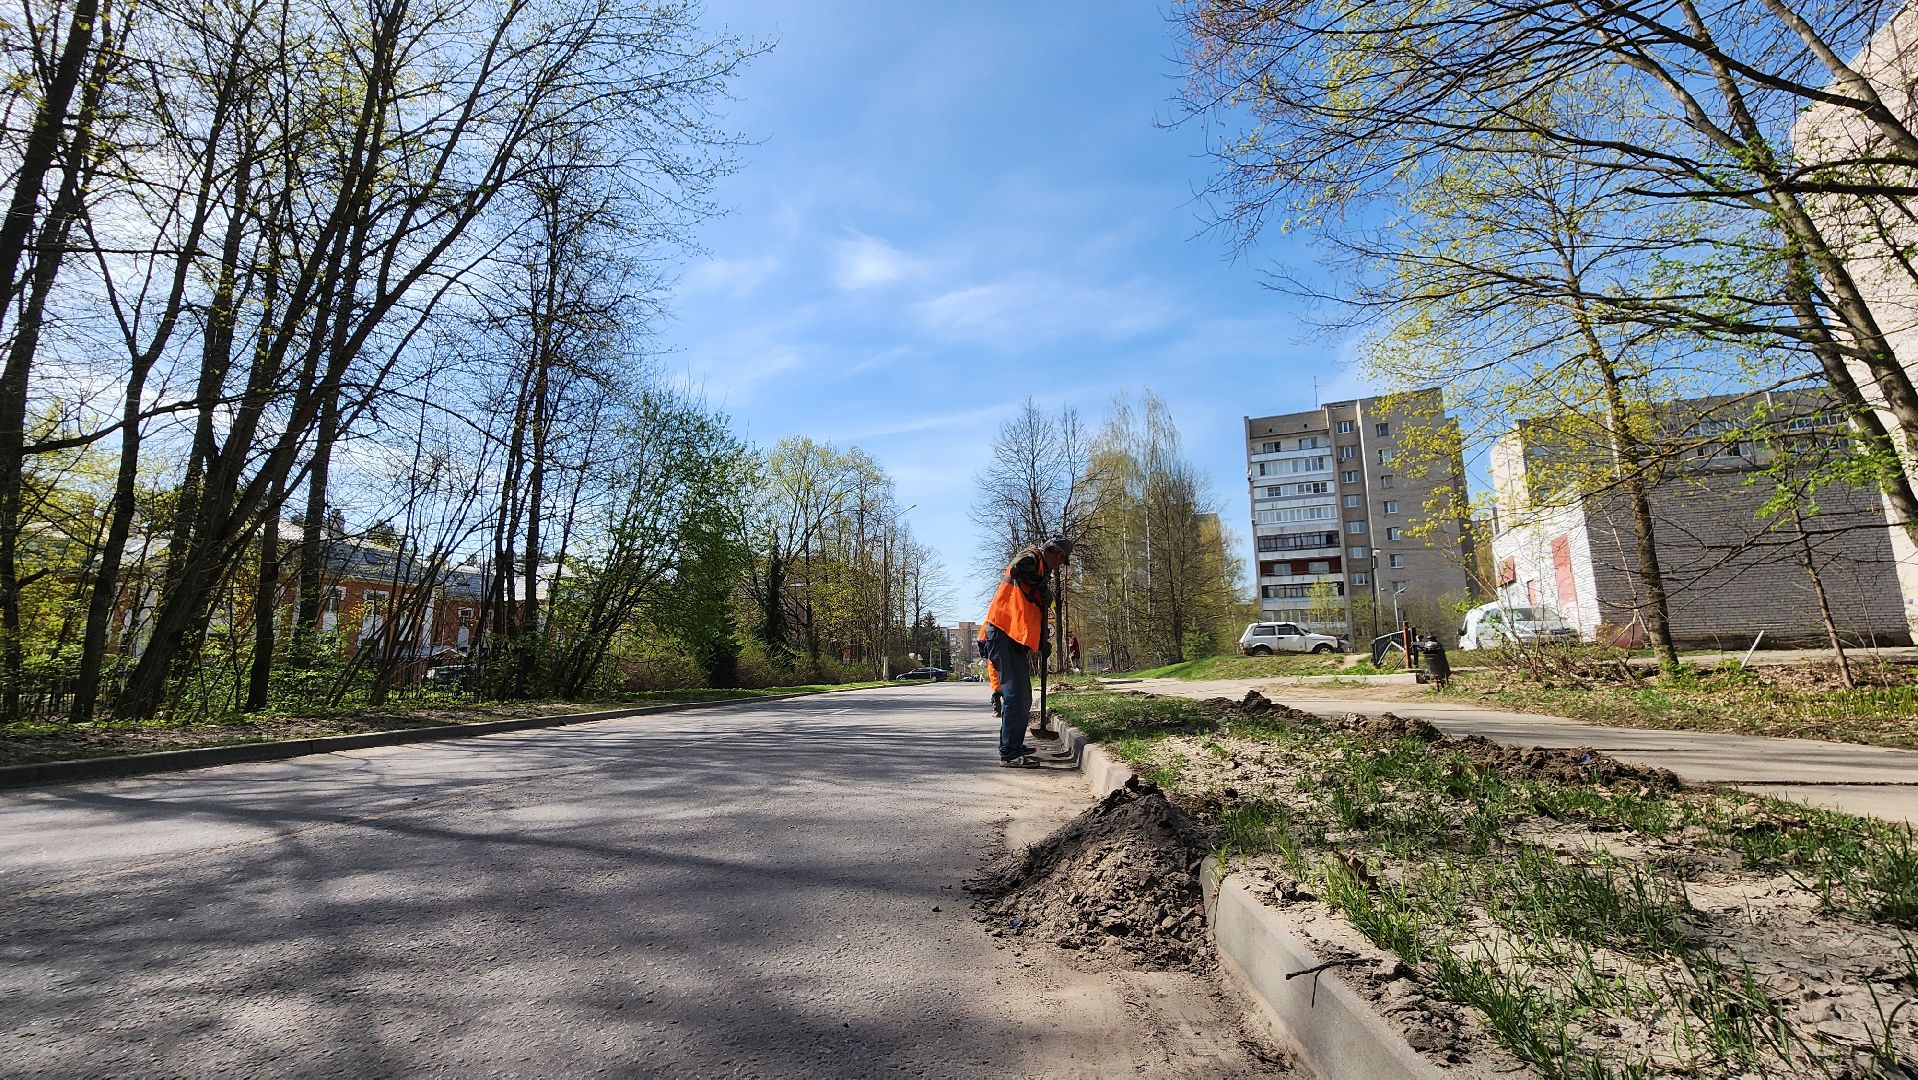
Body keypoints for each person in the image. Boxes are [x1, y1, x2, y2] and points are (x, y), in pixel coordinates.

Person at [982, 536, 1072, 766]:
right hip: (1002, 633)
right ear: (1057, 554)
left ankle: (1013, 744)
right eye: (1062, 560)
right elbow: (1018, 567)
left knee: (1023, 696)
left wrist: (1042, 641)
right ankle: (1010, 753)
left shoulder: (1041, 570)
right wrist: (1041, 586)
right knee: (1015, 695)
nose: (1060, 565)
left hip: (1014, 638)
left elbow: (1032, 612)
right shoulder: (1033, 557)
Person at [976, 623, 1001, 716]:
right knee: (1010, 683)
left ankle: (997, 708)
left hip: (994, 656)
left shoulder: (989, 621)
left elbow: (980, 641)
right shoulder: (1012, 615)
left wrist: (985, 655)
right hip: (1012, 656)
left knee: (996, 683)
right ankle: (1010, 710)